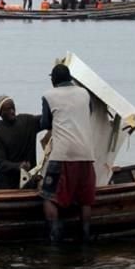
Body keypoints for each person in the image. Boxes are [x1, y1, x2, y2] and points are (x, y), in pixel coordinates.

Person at [39, 64, 96, 242]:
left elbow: (45, 124)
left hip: (62, 155)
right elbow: (90, 113)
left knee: (48, 197)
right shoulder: (85, 94)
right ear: (70, 77)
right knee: (85, 200)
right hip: (86, 154)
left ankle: (55, 238)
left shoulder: (48, 96)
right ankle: (85, 236)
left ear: (53, 80)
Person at [0, 95, 42, 189]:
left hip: (28, 179)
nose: (12, 111)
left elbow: (48, 119)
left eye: (13, 108)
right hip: (4, 183)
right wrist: (19, 166)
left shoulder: (28, 121)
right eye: (7, 110)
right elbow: (0, 163)